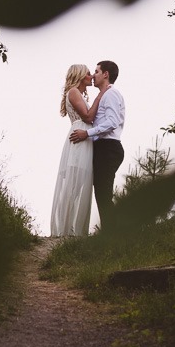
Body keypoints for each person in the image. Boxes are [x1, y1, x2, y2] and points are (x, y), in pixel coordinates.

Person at [70, 61, 125, 233]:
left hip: (108, 148)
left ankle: (113, 234)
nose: (93, 75)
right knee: (101, 192)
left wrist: (87, 133)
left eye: (96, 71)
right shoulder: (104, 95)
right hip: (102, 148)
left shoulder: (111, 94)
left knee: (103, 192)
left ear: (106, 74)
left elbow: (112, 122)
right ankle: (112, 233)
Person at [50, 64, 106, 237]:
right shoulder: (74, 92)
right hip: (79, 139)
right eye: (88, 73)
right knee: (73, 186)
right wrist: (101, 95)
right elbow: (88, 116)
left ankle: (71, 229)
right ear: (80, 76)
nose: (91, 76)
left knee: (77, 187)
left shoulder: (78, 94)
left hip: (85, 139)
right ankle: (64, 230)